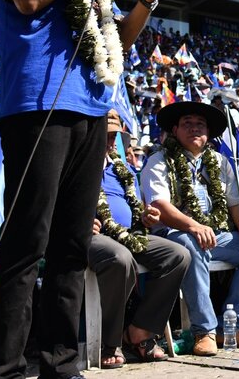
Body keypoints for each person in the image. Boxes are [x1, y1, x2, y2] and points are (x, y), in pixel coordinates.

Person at [0, 0, 168, 379]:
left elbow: (116, 42)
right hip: (38, 107)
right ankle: (3, 368)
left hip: (90, 110)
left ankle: (61, 365)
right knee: (27, 242)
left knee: (70, 246)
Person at [142, 101, 239, 356]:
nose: (194, 129)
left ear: (209, 132)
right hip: (173, 235)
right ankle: (205, 331)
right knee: (191, 243)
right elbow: (160, 204)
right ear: (175, 130)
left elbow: (234, 204)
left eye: (200, 124)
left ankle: (230, 329)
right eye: (187, 124)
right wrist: (193, 225)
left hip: (216, 234)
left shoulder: (221, 162)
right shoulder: (158, 160)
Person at [88, 111, 189, 367]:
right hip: (93, 237)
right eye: (107, 135)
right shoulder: (76, 165)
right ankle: (109, 342)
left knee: (177, 255)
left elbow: (137, 210)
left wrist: (146, 217)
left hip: (129, 235)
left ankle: (140, 330)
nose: (111, 142)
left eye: (115, 137)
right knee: (119, 258)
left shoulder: (121, 169)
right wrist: (80, 221)